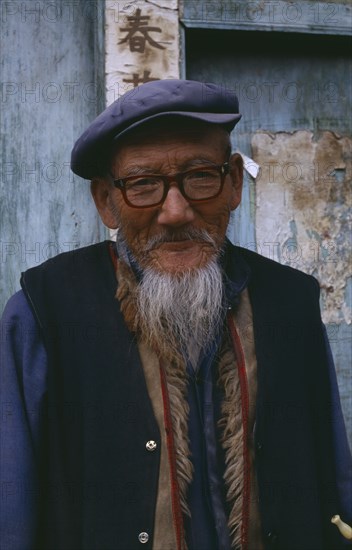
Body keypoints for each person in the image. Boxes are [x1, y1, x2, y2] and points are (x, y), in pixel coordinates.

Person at [1, 79, 351, 550]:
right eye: (144, 184)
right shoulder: (46, 311)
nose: (175, 211)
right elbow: (13, 507)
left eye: (200, 176)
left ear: (232, 184)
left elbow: (332, 480)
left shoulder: (290, 301)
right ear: (106, 201)